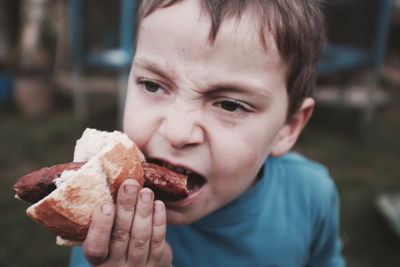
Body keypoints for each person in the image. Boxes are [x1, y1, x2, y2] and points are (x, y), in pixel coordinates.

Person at [69, 0, 346, 266]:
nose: (177, 132)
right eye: (152, 85)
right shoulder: (107, 221)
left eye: (230, 104)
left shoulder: (311, 195)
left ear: (288, 128)